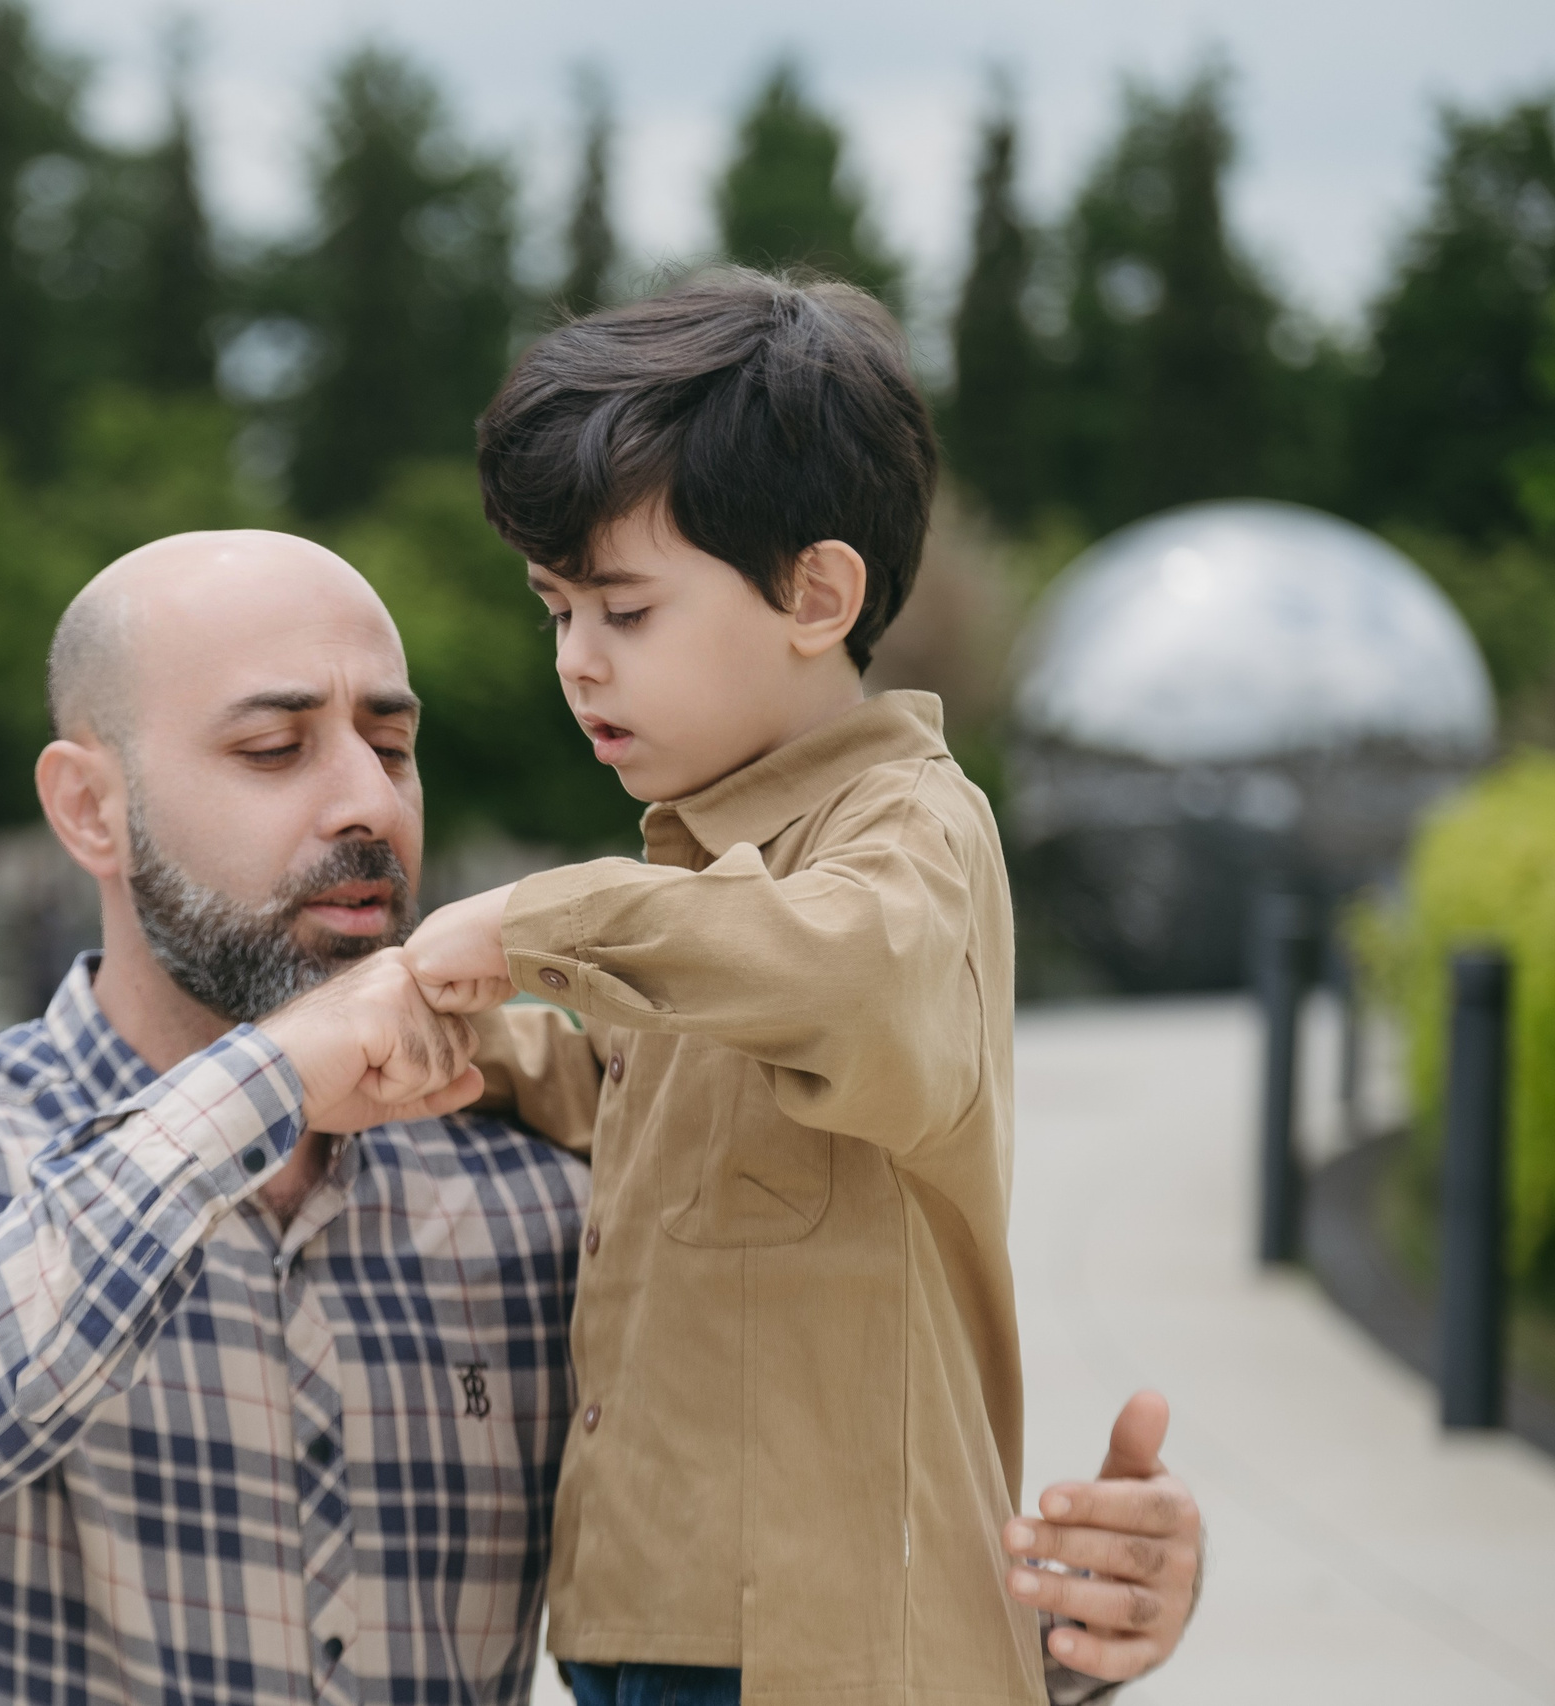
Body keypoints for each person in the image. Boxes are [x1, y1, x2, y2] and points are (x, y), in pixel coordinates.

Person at [0, 529, 1204, 1706]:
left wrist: (1055, 1631)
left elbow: (741, 1588)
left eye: (389, 747)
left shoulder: (533, 1192)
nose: (365, 804)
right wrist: (275, 1075)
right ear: (90, 807)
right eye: (275, 750)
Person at [405, 270, 1072, 1706]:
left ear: (816, 594)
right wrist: (486, 1047)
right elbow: (660, 1101)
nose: (579, 663)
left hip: (831, 1651)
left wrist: (531, 923)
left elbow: (839, 969)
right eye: (556, 611)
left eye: (625, 610)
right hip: (643, 1622)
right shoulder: (716, 877)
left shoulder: (912, 837)